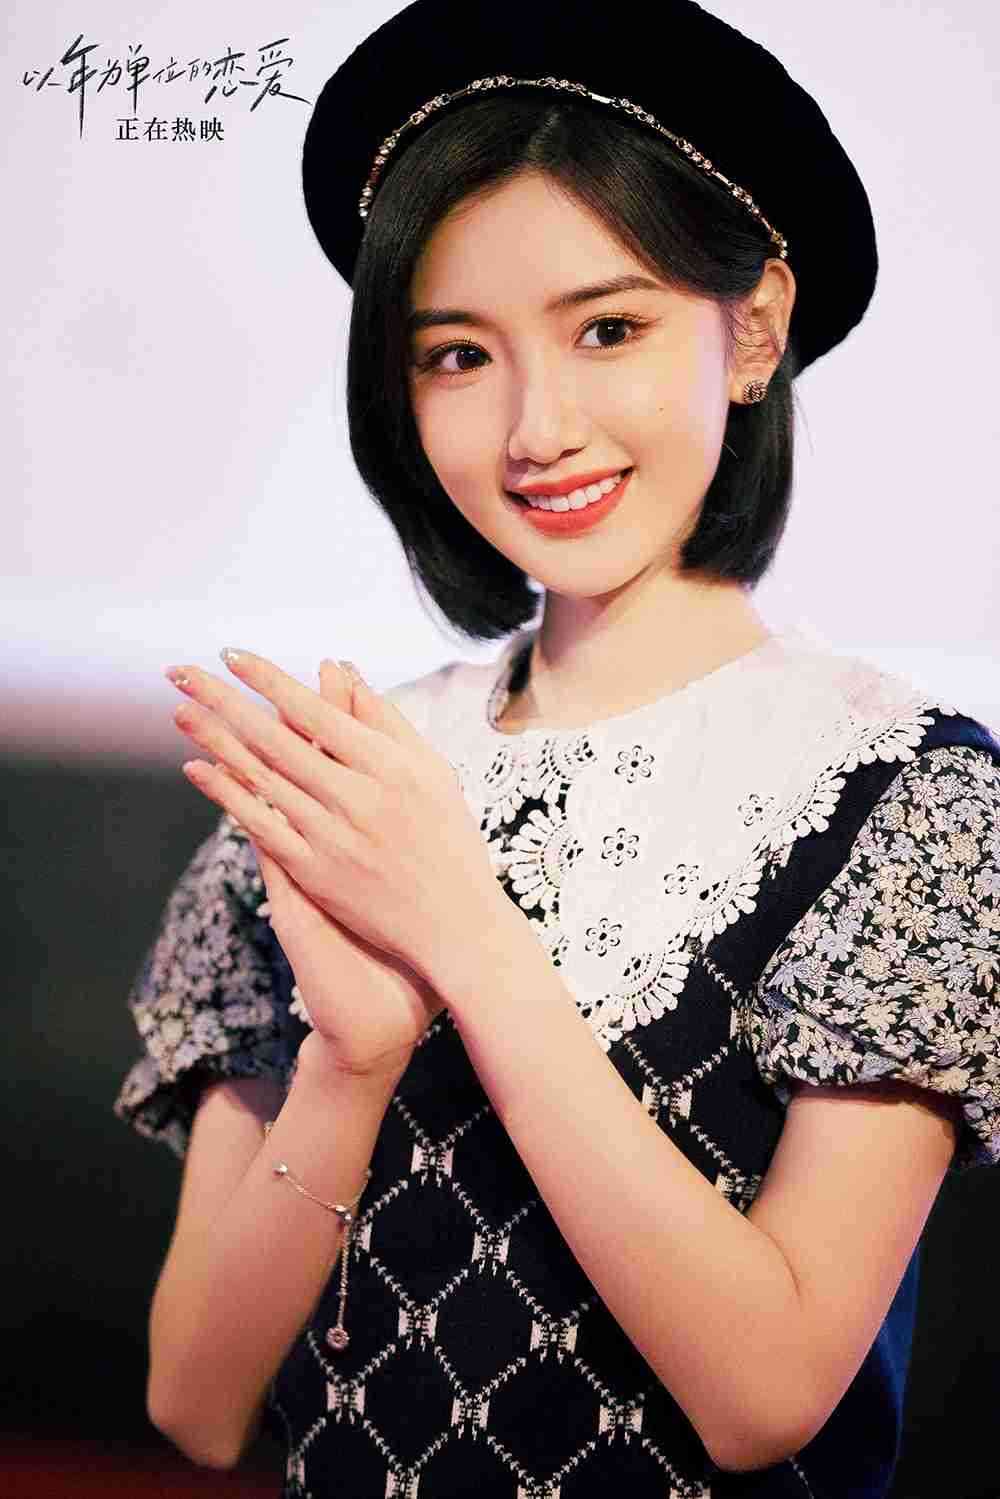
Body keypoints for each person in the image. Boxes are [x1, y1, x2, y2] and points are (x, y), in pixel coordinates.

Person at [113, 2, 1000, 1495]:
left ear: (753, 329)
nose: (537, 428)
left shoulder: (909, 800)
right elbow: (196, 1402)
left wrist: (470, 940)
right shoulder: (346, 778)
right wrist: (352, 1062)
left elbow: (767, 1396)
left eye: (609, 329)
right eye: (459, 355)